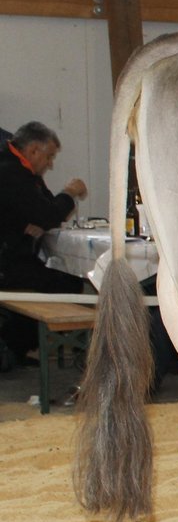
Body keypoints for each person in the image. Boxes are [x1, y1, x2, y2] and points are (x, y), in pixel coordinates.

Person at [0, 121, 88, 364]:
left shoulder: (22, 169)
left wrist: (38, 220)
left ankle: (17, 347)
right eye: (49, 157)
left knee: (61, 277)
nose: (50, 163)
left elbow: (45, 210)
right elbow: (49, 215)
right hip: (6, 263)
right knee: (65, 281)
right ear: (34, 151)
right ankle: (15, 345)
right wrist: (69, 192)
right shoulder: (11, 172)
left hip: (12, 254)